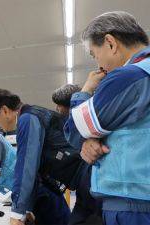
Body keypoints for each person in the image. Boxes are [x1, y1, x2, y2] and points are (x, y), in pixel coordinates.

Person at [63, 11, 150, 225]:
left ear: (110, 43)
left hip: (133, 204)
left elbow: (74, 129)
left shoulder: (129, 76)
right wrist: (91, 140)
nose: (99, 65)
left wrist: (85, 92)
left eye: (94, 54)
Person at [0, 89, 87, 225]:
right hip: (68, 183)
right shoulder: (32, 115)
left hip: (84, 180)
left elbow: (26, 167)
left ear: (4, 110)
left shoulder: (27, 119)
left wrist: (17, 212)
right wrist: (26, 207)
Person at [53, 85, 103, 225]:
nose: (57, 110)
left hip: (96, 196)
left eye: (59, 106)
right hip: (83, 193)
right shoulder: (65, 130)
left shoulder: (87, 130)